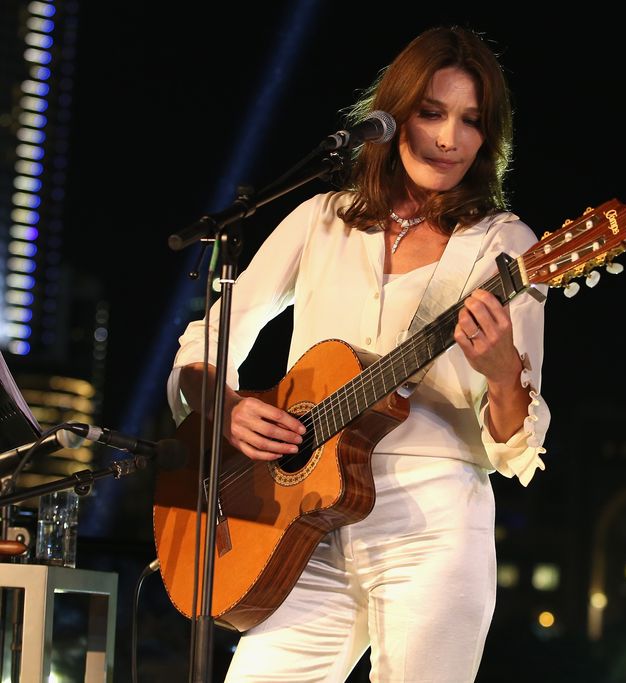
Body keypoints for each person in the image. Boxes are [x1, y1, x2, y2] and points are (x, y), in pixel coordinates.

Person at [166, 25, 550, 682]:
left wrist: (501, 372)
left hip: (432, 528)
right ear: (392, 113)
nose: (450, 138)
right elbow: (203, 348)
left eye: (471, 121)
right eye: (432, 112)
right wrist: (228, 408)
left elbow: (515, 445)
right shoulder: (323, 218)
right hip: (306, 527)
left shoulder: (507, 243)